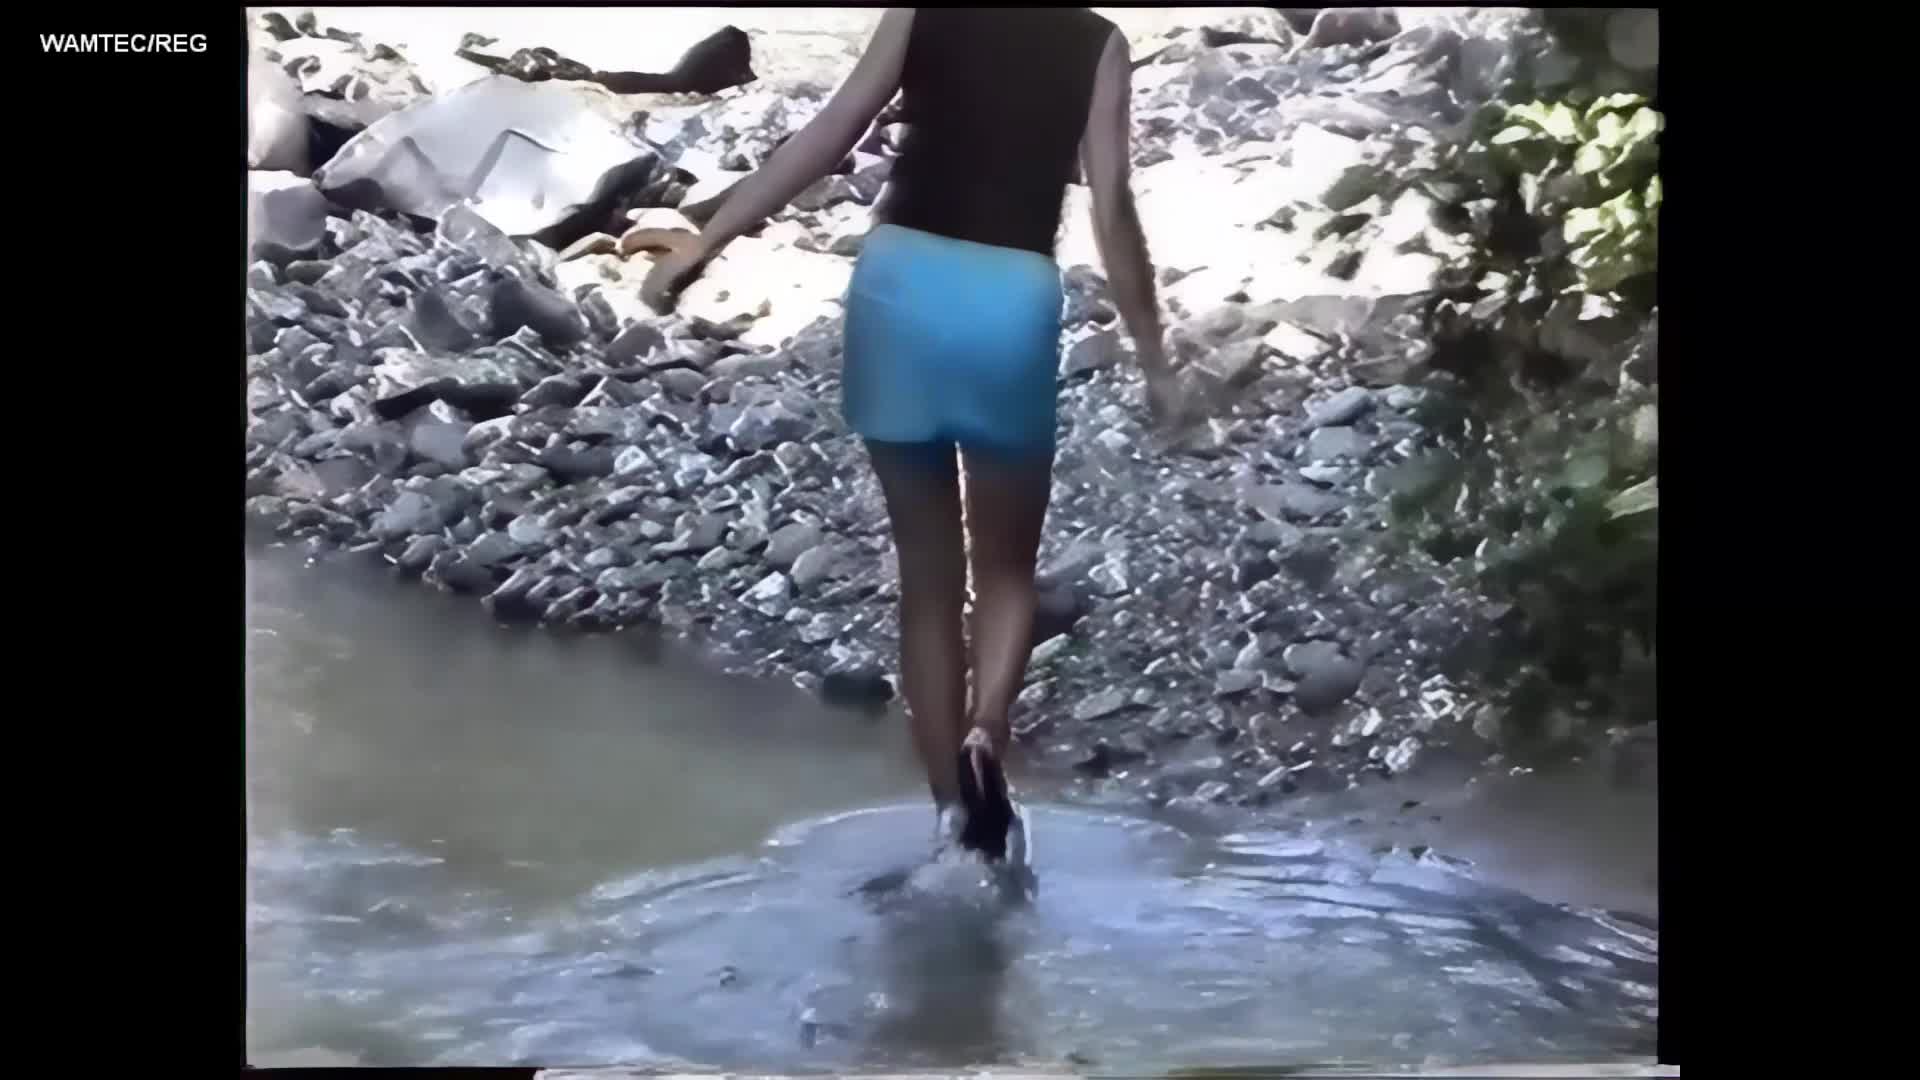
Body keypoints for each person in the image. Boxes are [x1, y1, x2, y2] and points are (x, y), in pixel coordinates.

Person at [642, 9, 1190, 864]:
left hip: (898, 288)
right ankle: (986, 732)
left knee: (928, 582)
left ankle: (951, 820)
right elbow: (1112, 201)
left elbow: (829, 133)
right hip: (1008, 298)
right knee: (1005, 571)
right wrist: (1154, 357)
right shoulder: (1098, 43)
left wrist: (703, 244)